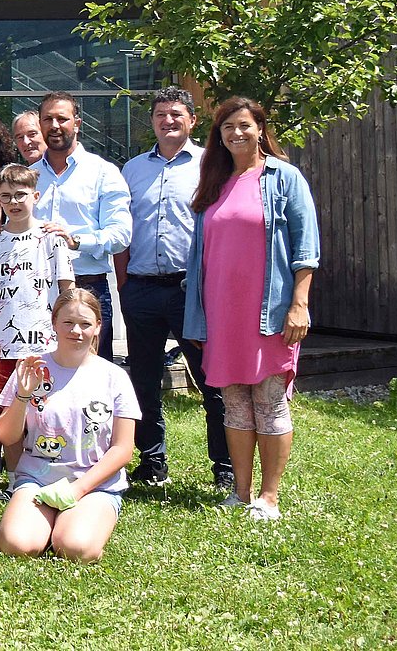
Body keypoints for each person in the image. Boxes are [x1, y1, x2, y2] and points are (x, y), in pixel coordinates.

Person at [184, 96, 317, 522]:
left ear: (260, 128)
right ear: (218, 137)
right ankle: (240, 493)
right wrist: (197, 319)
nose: (236, 133)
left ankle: (269, 496)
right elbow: (200, 259)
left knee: (270, 400)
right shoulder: (214, 183)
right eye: (227, 128)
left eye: (244, 125)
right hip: (222, 314)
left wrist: (300, 304)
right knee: (235, 403)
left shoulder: (284, 177)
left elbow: (306, 248)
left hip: (270, 311)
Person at [117, 87, 231, 491]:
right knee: (143, 381)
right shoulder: (131, 170)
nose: (169, 121)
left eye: (177, 114)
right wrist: (125, 281)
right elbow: (123, 231)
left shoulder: (212, 165)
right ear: (152, 120)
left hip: (192, 291)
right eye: (161, 114)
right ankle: (152, 463)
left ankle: (225, 467)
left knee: (211, 381)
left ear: (192, 120)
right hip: (142, 289)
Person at [0, 288, 139, 562]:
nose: (76, 330)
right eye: (68, 322)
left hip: (93, 485)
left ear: (98, 327)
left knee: (76, 548)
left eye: (85, 324)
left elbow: (123, 449)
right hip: (37, 480)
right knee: (17, 545)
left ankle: (72, 522)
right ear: (54, 324)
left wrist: (78, 490)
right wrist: (23, 396)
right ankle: (43, 522)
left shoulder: (115, 377)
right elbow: (7, 435)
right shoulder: (32, 368)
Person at [32, 91, 132, 360]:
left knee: (93, 376)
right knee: (41, 373)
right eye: (47, 119)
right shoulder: (29, 176)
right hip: (37, 291)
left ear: (77, 123)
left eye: (62, 119)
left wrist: (77, 240)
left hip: (87, 289)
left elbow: (121, 234)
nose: (54, 126)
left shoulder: (103, 172)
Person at [0, 163, 73, 372]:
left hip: (44, 345)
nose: (14, 202)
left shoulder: (53, 237)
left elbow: (68, 291)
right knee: (2, 404)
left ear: (35, 196)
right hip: (0, 346)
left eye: (21, 195)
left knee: (41, 402)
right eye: (6, 196)